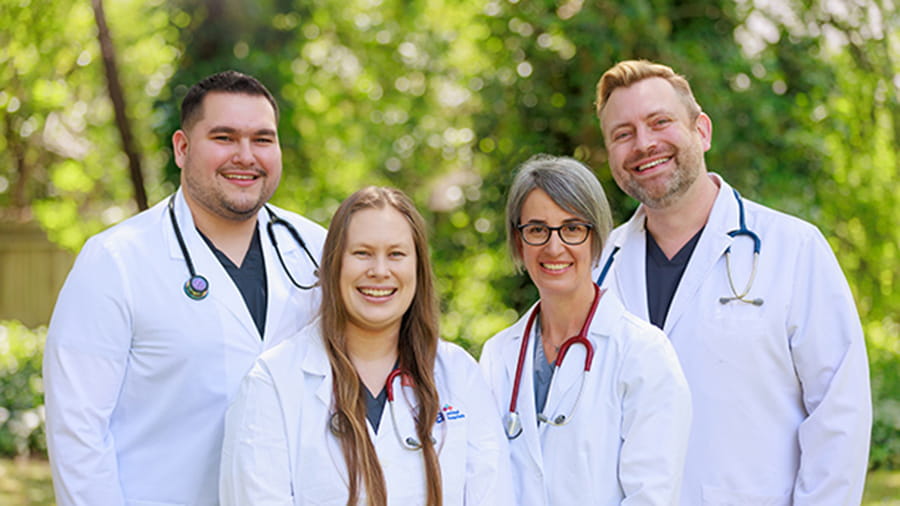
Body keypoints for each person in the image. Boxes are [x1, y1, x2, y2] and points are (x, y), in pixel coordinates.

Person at [593, 59, 872, 505]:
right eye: (622, 134)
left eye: (659, 122)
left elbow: (839, 413)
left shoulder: (793, 248)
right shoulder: (597, 267)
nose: (643, 144)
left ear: (701, 131)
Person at [43, 70, 327, 506]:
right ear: (182, 147)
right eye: (224, 137)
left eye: (263, 139)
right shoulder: (115, 260)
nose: (246, 156)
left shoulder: (318, 250)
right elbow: (78, 431)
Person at [220, 186, 513, 506]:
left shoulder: (459, 375)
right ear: (335, 265)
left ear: (418, 269)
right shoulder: (272, 383)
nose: (379, 271)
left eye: (396, 254)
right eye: (362, 253)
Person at [479, 155, 692, 505]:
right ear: (519, 242)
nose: (554, 246)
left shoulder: (642, 352)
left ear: (597, 239)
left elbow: (651, 496)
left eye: (572, 228)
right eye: (536, 229)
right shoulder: (498, 355)